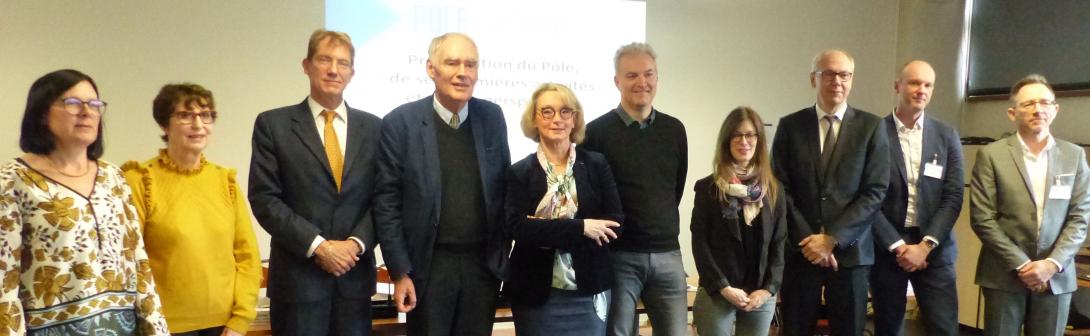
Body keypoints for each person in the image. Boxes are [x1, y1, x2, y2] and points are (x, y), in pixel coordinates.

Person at [0, 69, 170, 335]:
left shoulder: (113, 177)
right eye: (72, 103)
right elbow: (3, 282)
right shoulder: (12, 180)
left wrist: (157, 329)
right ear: (42, 113)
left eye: (94, 104)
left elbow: (139, 263)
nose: (87, 111)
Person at [375, 32, 511, 336]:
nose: (462, 73)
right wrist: (399, 271)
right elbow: (386, 203)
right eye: (452, 63)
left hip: (482, 267)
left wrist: (501, 258)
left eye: (470, 65)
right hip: (428, 268)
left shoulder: (492, 116)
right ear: (431, 69)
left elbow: (504, 189)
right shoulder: (401, 123)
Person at [248, 29, 382, 336]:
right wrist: (319, 246)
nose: (334, 70)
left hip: (354, 282)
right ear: (306, 65)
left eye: (342, 63)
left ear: (352, 72)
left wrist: (355, 244)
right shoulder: (273, 125)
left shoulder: (375, 128)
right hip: (298, 283)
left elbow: (384, 198)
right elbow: (264, 198)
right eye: (324, 60)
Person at [123, 83, 262, 336]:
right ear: (165, 125)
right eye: (186, 116)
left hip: (224, 326)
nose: (198, 125)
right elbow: (130, 261)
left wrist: (240, 320)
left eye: (205, 115)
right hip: (163, 325)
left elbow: (247, 256)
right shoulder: (140, 179)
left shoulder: (225, 180)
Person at [770, 49, 890, 336]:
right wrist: (810, 241)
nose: (837, 81)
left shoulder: (871, 127)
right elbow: (778, 186)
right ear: (814, 79)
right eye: (829, 74)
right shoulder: (790, 126)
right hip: (802, 253)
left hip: (852, 254)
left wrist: (833, 239)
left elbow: (875, 191)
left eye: (844, 74)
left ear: (851, 80)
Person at [581, 42, 689, 336]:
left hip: (668, 254)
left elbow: (674, 189)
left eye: (648, 74)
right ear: (617, 81)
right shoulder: (595, 133)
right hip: (619, 256)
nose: (642, 82)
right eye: (631, 76)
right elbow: (591, 197)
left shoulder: (675, 130)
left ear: (657, 77)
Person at [970, 74, 1090, 336]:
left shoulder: (1075, 156)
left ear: (1055, 110)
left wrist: (1051, 264)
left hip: (1055, 277)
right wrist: (1023, 265)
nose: (1038, 109)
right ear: (1012, 113)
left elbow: (1080, 217)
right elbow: (982, 218)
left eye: (1045, 103)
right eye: (1029, 104)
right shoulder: (992, 155)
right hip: (1003, 274)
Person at [504, 83, 623, 336]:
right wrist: (583, 228)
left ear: (575, 119)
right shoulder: (519, 172)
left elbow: (614, 223)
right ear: (534, 119)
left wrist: (542, 227)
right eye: (547, 111)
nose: (556, 119)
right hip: (536, 294)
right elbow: (517, 228)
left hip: (589, 290)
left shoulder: (596, 164)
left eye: (565, 111)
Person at [870, 60, 964, 336]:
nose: (921, 89)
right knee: (888, 329)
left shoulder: (946, 135)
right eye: (914, 82)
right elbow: (868, 197)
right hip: (887, 250)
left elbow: (953, 194)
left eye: (928, 84)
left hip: (935, 249)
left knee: (944, 328)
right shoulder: (873, 133)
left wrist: (925, 246)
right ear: (897, 86)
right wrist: (899, 246)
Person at [691, 106, 786, 336]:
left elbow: (779, 242)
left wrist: (767, 290)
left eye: (750, 135)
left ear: (759, 140)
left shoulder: (774, 190)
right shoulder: (708, 189)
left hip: (760, 294)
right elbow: (700, 244)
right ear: (727, 140)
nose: (744, 141)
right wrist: (724, 287)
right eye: (737, 134)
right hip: (719, 291)